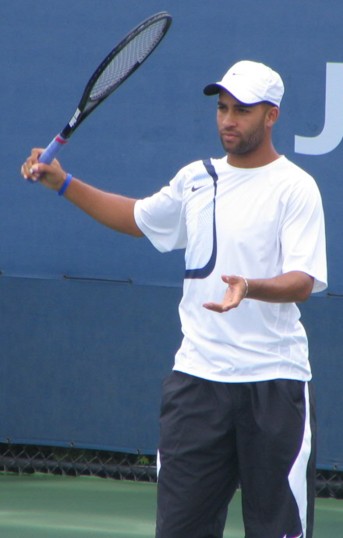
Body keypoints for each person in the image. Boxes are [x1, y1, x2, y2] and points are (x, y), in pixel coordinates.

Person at [21, 60, 327, 538]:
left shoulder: (296, 187)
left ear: (272, 116)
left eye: (242, 110)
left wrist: (251, 287)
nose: (228, 119)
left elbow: (303, 281)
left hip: (274, 384)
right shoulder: (196, 178)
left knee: (279, 531)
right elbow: (136, 218)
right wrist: (62, 182)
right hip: (197, 385)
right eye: (223, 108)